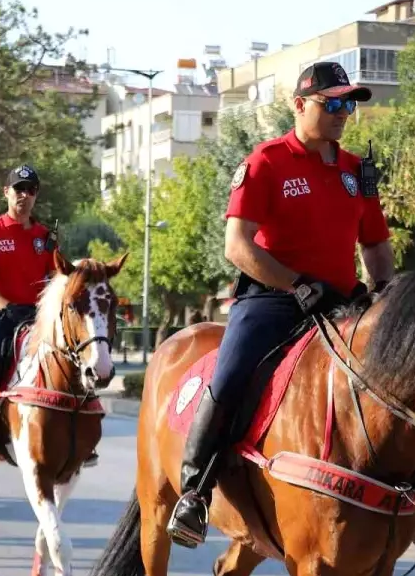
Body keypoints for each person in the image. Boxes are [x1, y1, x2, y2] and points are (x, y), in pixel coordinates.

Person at [166, 62, 396, 549]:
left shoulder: (358, 171)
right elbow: (238, 246)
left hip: (341, 303)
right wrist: (294, 284)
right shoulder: (267, 161)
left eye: (348, 104)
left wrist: (386, 294)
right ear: (299, 105)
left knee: (401, 372)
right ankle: (195, 492)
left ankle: (410, 492)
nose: (343, 113)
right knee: (229, 375)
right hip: (273, 299)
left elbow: (375, 245)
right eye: (332, 103)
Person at [0, 165, 100, 468]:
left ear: (36, 195)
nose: (24, 196)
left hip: (36, 315)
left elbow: (56, 281)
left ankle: (84, 437)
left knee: (75, 359)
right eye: (18, 189)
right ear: (6, 192)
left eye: (30, 190)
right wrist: (5, 306)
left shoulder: (45, 236)